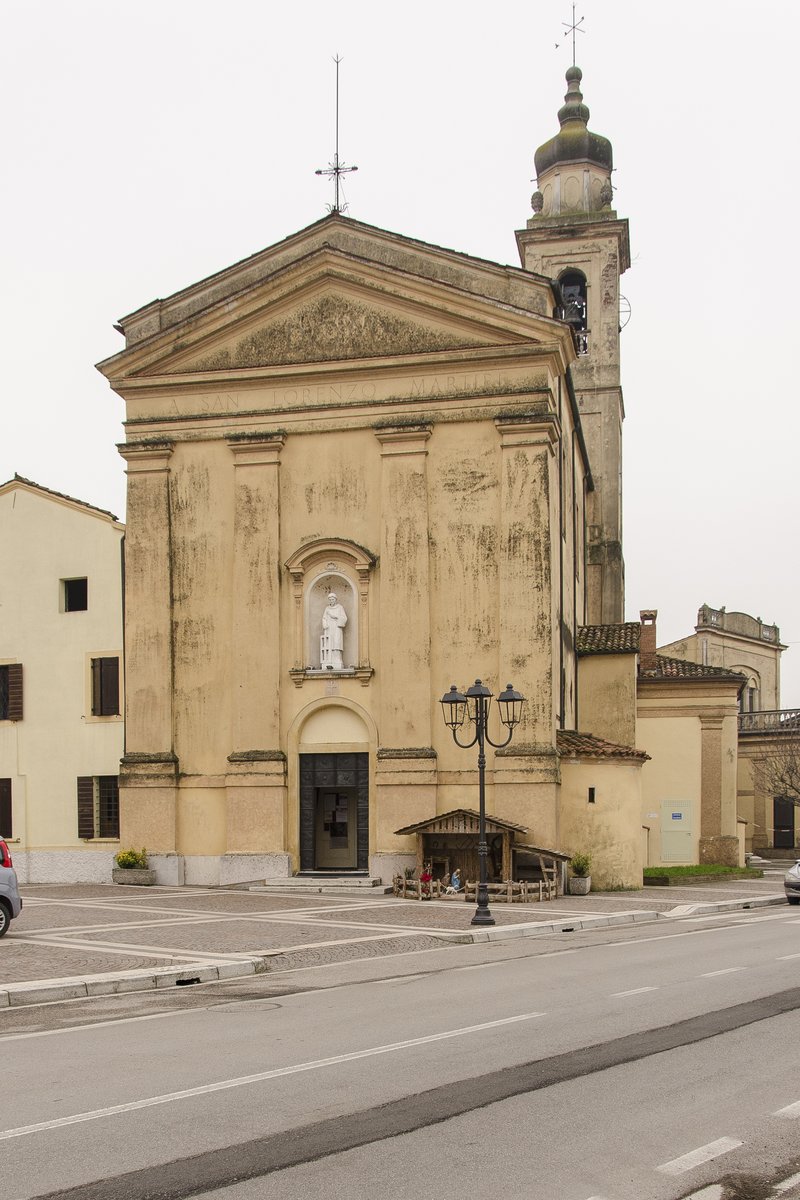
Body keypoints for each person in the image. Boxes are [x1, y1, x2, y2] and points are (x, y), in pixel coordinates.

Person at [320, 592, 348, 669]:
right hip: (329, 628)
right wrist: (325, 624)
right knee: (329, 643)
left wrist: (335, 616)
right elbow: (324, 618)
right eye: (330, 599)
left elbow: (344, 618)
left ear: (335, 600)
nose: (331, 601)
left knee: (336, 642)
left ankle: (337, 659)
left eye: (332, 599)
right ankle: (328, 660)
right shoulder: (327, 609)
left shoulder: (340, 608)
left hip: (336, 628)